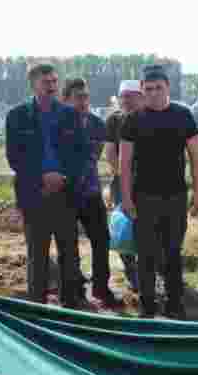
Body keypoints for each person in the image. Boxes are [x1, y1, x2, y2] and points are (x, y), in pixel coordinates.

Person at [119, 64, 198, 319]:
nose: (154, 93)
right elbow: (124, 163)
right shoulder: (132, 120)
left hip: (175, 197)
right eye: (149, 88)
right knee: (145, 254)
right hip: (143, 198)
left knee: (173, 252)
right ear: (142, 91)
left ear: (168, 88)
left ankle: (174, 302)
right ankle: (147, 304)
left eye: (159, 88)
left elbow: (196, 157)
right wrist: (126, 197)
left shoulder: (183, 115)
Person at [5, 63, 89, 308]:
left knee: (69, 254)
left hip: (65, 194)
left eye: (54, 81)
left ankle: (70, 305)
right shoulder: (17, 116)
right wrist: (42, 178)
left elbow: (81, 154)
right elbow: (15, 157)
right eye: (46, 82)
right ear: (33, 85)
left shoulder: (70, 115)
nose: (52, 86)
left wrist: (64, 179)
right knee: (37, 255)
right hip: (34, 195)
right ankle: (37, 308)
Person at [63, 77, 121, 307]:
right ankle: (74, 288)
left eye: (86, 97)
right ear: (65, 99)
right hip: (65, 194)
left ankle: (101, 287)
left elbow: (94, 155)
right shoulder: (59, 123)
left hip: (90, 192)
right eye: (78, 97)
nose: (83, 101)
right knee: (69, 244)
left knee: (101, 240)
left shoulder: (97, 124)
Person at [105, 80, 144, 291]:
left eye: (131, 95)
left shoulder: (149, 116)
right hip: (123, 182)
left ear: (141, 96)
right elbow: (110, 151)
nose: (127, 100)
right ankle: (131, 270)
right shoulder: (114, 120)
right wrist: (122, 175)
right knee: (123, 226)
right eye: (123, 96)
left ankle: (151, 268)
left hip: (149, 182)